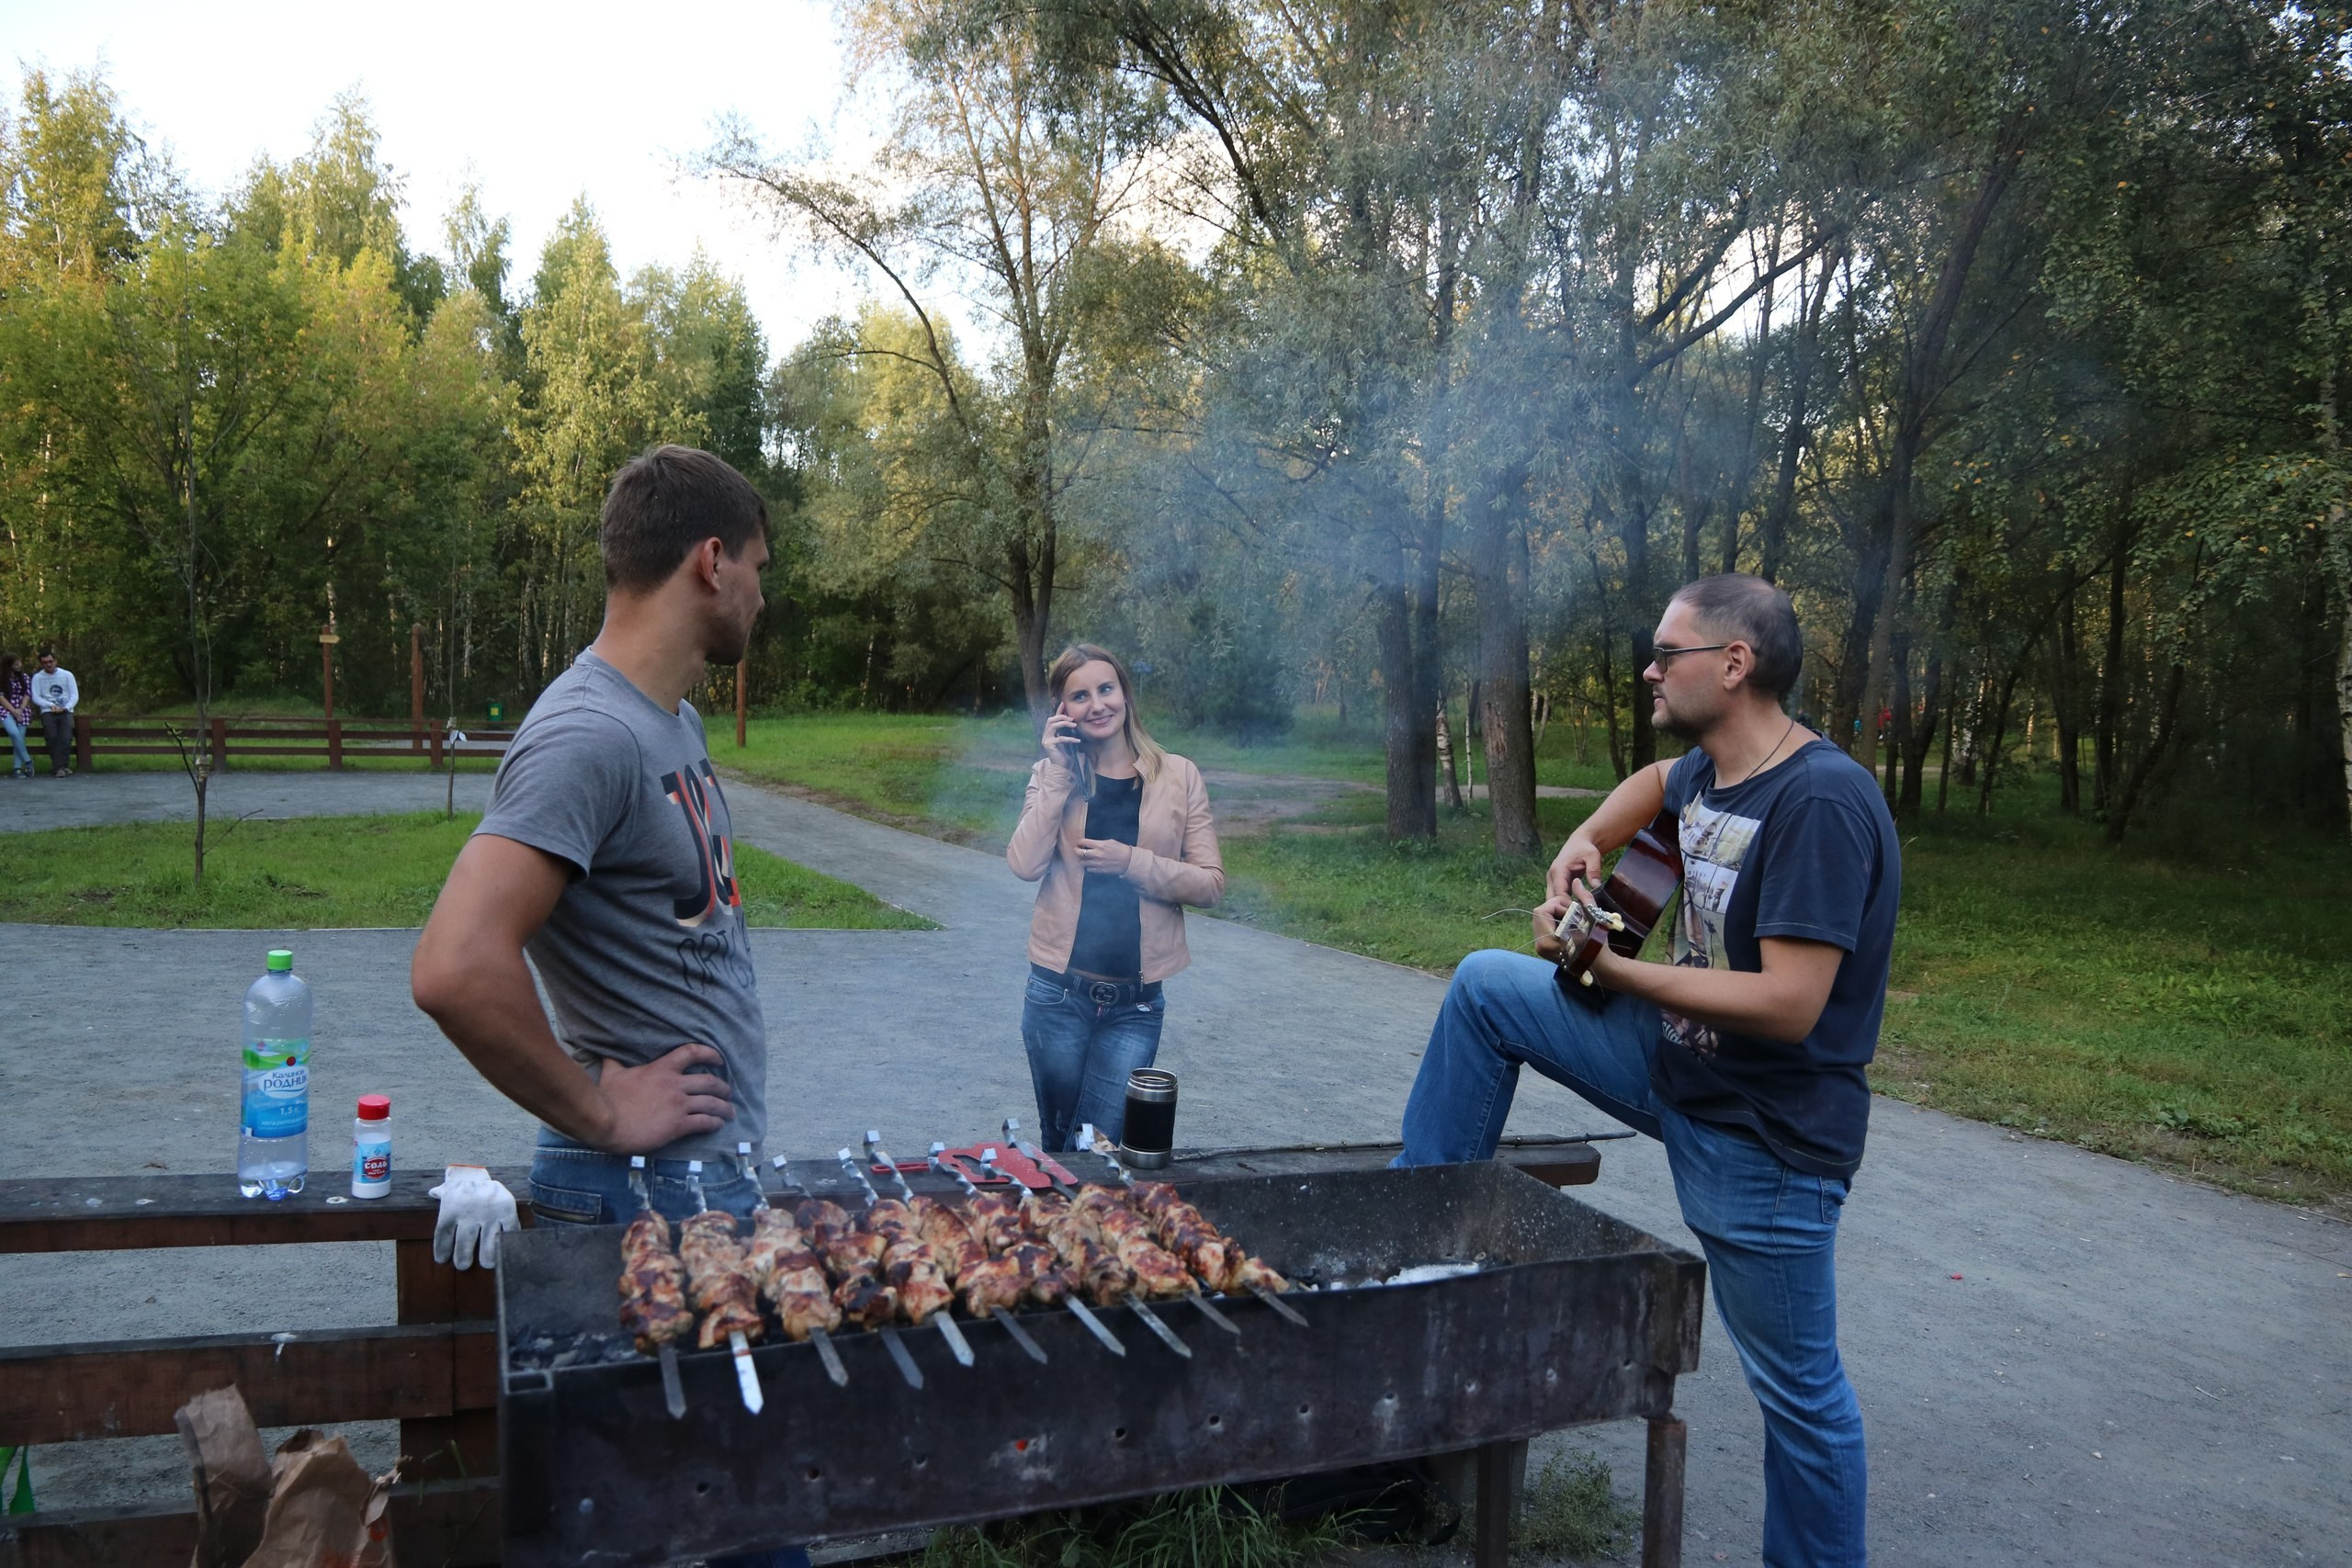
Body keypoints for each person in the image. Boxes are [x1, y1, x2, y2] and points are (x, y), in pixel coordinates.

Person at [1394, 574, 1897, 1568]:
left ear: (1734, 664)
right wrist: (1582, 850)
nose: (1649, 669)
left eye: (1668, 654)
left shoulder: (1821, 800)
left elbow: (1791, 1003)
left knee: (1800, 1397)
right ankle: (1419, 1234)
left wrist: (1617, 969)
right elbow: (1646, 793)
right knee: (1487, 986)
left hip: (1764, 1140)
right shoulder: (1709, 772)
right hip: (1676, 1068)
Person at [412, 445, 800, 1568]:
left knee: (716, 1514)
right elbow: (454, 964)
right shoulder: (589, 734)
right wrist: (596, 1111)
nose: (764, 596)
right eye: (761, 567)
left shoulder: (665, 720)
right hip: (643, 1189)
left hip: (695, 1182)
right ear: (710, 561)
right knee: (699, 1524)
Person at [1006, 644, 1224, 1151]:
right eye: (1079, 695)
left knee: (1094, 1147)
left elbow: (1211, 883)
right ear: (1063, 711)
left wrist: (1132, 863)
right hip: (1056, 996)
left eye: (1106, 688)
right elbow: (1024, 864)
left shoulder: (1180, 775)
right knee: (1062, 1143)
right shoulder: (1051, 775)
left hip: (1135, 1006)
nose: (1097, 704)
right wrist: (1058, 769)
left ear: (1125, 692)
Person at [28, 648, 77, 777]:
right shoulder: (38, 678)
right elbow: (36, 697)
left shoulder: (67, 675)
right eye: (45, 662)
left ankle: (60, 767)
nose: (48, 665)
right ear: (41, 663)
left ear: (55, 661)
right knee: (52, 738)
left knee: (66, 738)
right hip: (48, 711)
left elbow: (74, 695)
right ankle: (59, 767)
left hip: (66, 710)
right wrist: (51, 705)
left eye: (50, 661)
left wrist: (66, 707)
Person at [0, 654, 34, 778]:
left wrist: (20, 709)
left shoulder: (24, 677)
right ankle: (28, 760)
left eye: (19, 662)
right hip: (6, 708)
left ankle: (17, 768)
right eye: (16, 664)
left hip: (22, 709)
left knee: (19, 738)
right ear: (8, 666)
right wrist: (13, 710)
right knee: (14, 733)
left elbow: (27, 693)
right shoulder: (2, 679)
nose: (19, 665)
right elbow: (1, 696)